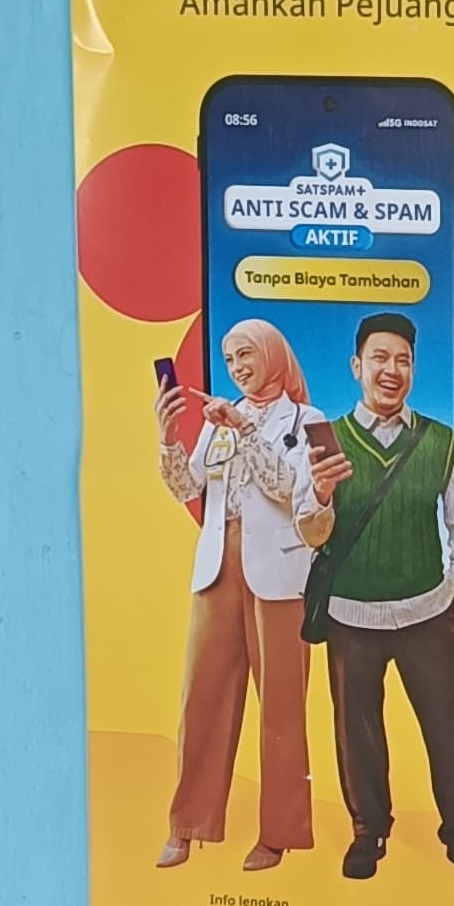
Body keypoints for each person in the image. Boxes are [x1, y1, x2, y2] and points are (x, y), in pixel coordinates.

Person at [154, 318, 350, 872]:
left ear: (273, 355)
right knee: (201, 699)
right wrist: (168, 438)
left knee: (282, 708)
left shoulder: (306, 421)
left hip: (281, 575)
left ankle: (279, 834)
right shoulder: (219, 420)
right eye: (230, 358)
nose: (238, 367)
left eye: (247, 354)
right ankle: (187, 825)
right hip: (219, 566)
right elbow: (188, 488)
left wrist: (244, 428)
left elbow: (290, 491)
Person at [316, 312, 454, 886]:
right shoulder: (327, 441)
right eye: (380, 357)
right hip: (350, 614)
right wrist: (318, 494)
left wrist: (450, 593)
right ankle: (368, 832)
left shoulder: (440, 441)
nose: (391, 370)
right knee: (358, 732)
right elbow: (308, 532)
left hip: (427, 613)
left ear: (414, 369)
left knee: (450, 727)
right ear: (356, 366)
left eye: (403, 360)